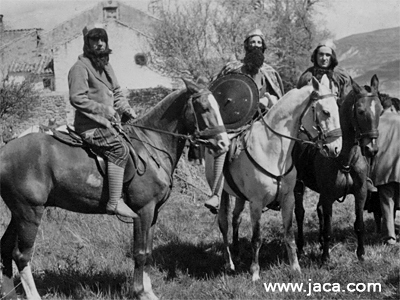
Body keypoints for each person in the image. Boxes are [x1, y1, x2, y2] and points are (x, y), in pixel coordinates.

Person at [205, 28, 285, 213]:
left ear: (263, 46)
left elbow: (279, 100)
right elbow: (217, 92)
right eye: (252, 42)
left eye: (259, 42)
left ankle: (281, 192)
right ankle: (216, 194)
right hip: (237, 123)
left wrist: (270, 101)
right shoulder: (232, 68)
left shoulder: (269, 72)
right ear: (246, 45)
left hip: (264, 123)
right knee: (223, 147)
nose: (255, 45)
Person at [68, 25, 138, 218]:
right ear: (87, 43)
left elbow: (116, 92)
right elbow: (77, 98)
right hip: (90, 126)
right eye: (94, 39)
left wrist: (126, 108)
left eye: (102, 39)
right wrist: (104, 110)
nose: (99, 43)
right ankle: (115, 202)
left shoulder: (106, 65)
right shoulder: (79, 68)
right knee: (119, 149)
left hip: (108, 124)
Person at [295, 40, 377, 193]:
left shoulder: (342, 76)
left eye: (328, 55)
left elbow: (348, 99)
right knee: (300, 144)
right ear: (315, 56)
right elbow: (299, 100)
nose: (324, 58)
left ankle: (365, 178)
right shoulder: (307, 76)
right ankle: (300, 178)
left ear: (332, 57)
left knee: (361, 141)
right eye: (321, 54)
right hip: (314, 122)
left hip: (339, 120)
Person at [371, 98, 400, 245]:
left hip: (383, 169)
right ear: (394, 108)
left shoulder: (376, 122)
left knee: (387, 202)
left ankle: (390, 237)